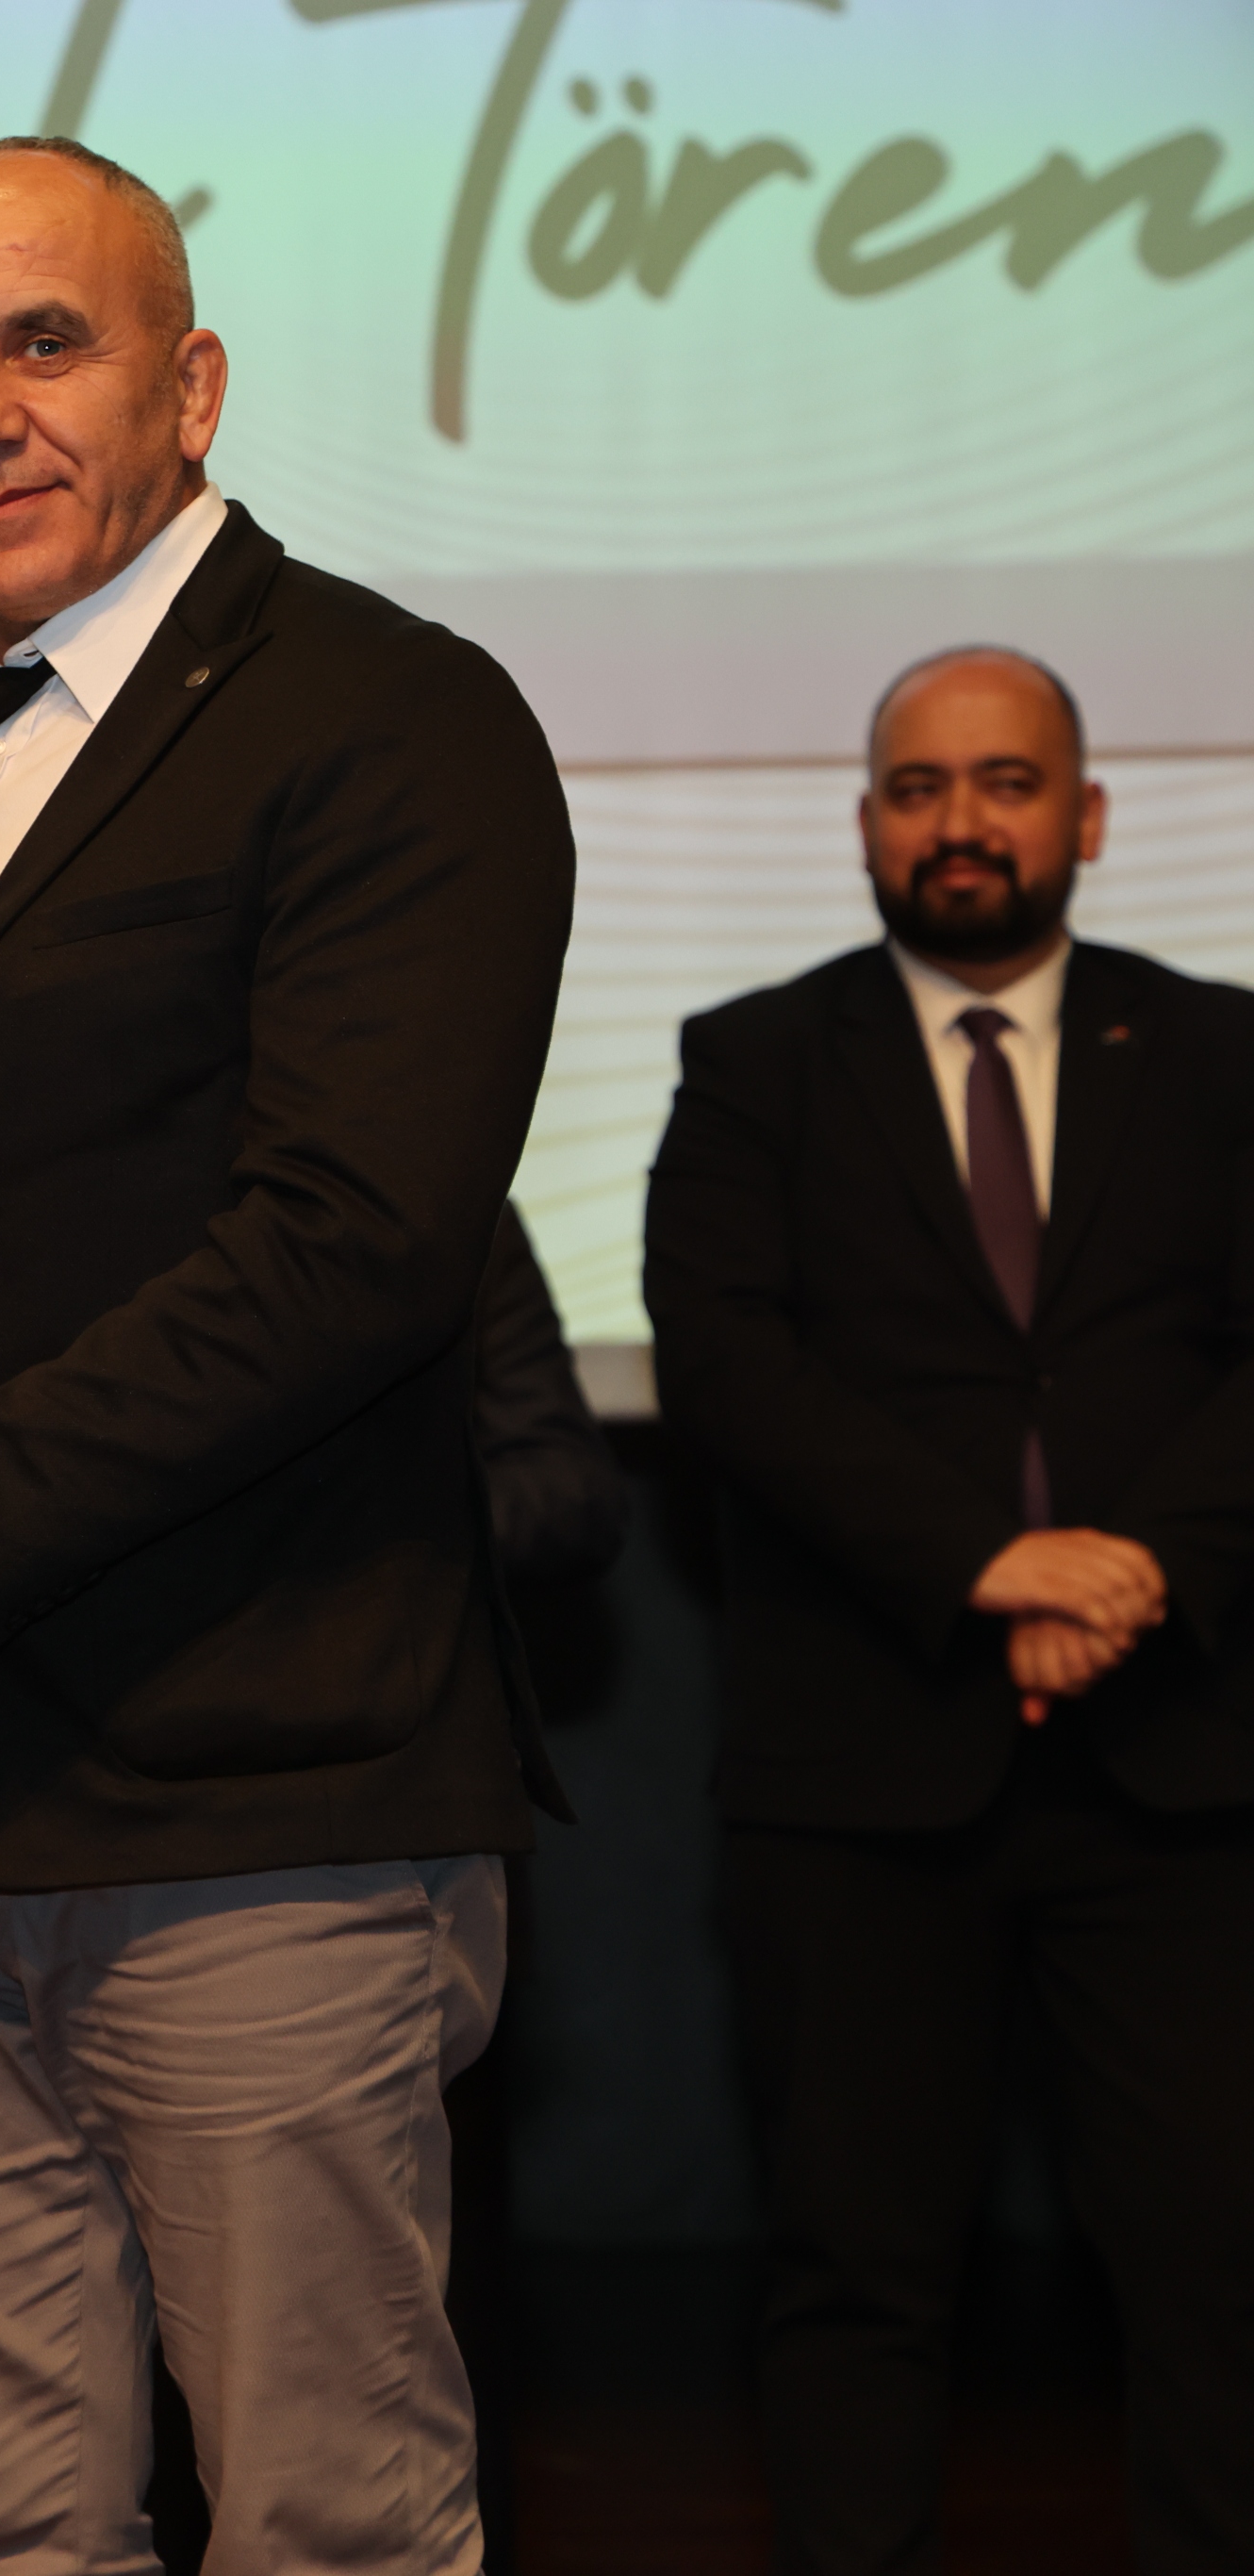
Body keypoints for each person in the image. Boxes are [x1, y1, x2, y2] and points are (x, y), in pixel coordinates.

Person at [0, 139, 576, 2573]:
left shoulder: (393, 716)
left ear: (193, 381)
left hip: (254, 1801)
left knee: (328, 2525)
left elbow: (353, 1254)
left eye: (42, 343)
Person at [644, 646, 1254, 2576]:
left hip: (1177, 1773)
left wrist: (1133, 1568)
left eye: (1004, 782)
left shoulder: (1223, 1052)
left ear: (1086, 818)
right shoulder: (750, 1060)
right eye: (917, 788)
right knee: (854, 2276)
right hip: (858, 1779)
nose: (960, 823)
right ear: (862, 826)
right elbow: (722, 1364)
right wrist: (986, 1562)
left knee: (1218, 2273)